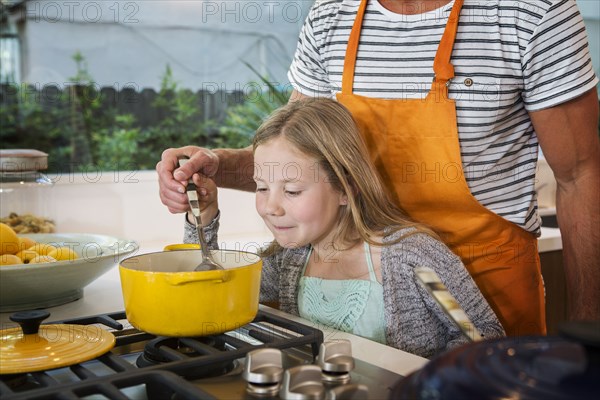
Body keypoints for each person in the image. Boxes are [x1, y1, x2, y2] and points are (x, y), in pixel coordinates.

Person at [157, 0, 600, 336]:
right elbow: (300, 159)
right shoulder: (332, 15)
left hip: (490, 289)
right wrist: (215, 166)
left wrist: (589, 333)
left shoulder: (535, 13)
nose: (274, 206)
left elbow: (582, 176)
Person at [183, 98, 504, 358]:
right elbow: (209, 294)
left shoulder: (414, 257)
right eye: (262, 187)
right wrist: (204, 218)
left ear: (345, 188)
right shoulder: (288, 260)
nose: (270, 206)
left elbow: (481, 338)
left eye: (292, 191)